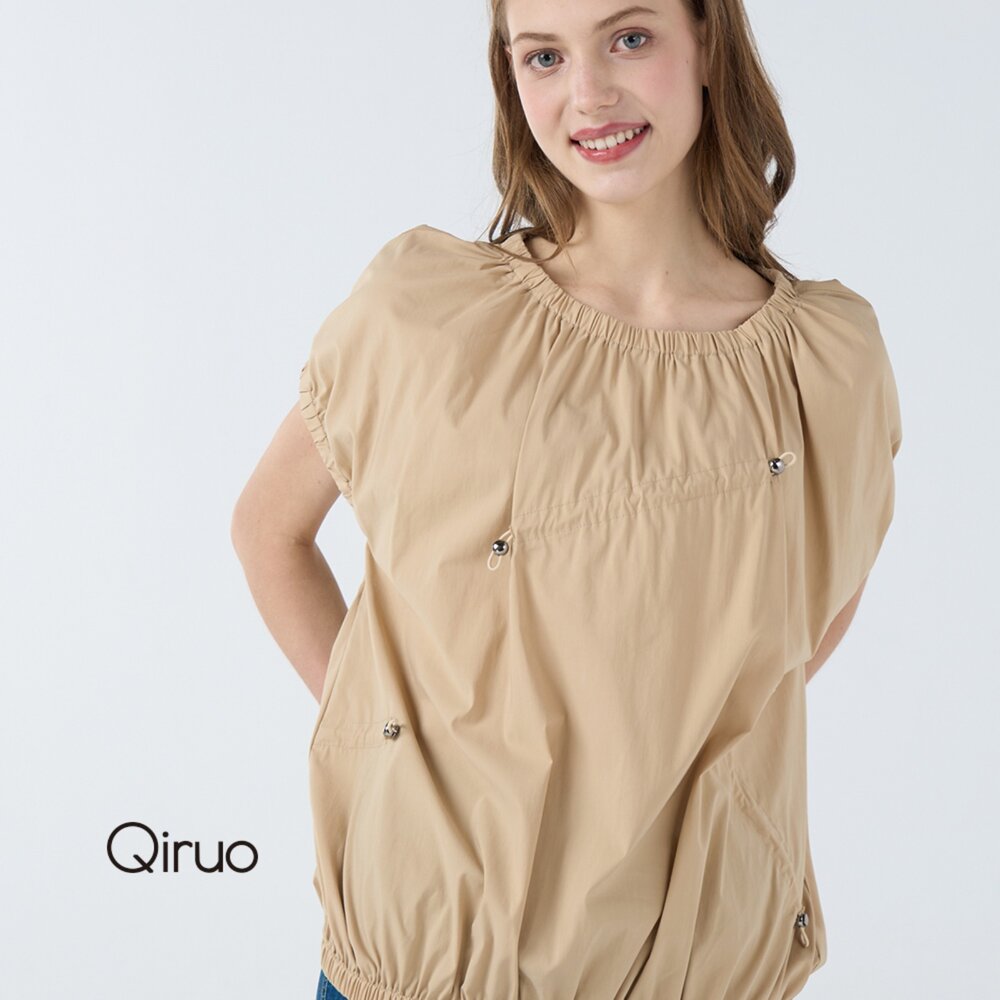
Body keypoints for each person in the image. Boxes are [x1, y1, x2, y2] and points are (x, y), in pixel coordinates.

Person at [231, 0, 903, 997]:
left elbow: (803, 628)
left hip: (691, 971)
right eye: (543, 56)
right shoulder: (429, 316)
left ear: (707, 40)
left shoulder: (824, 363)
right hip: (429, 963)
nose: (588, 94)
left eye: (628, 38)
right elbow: (269, 528)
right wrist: (393, 739)